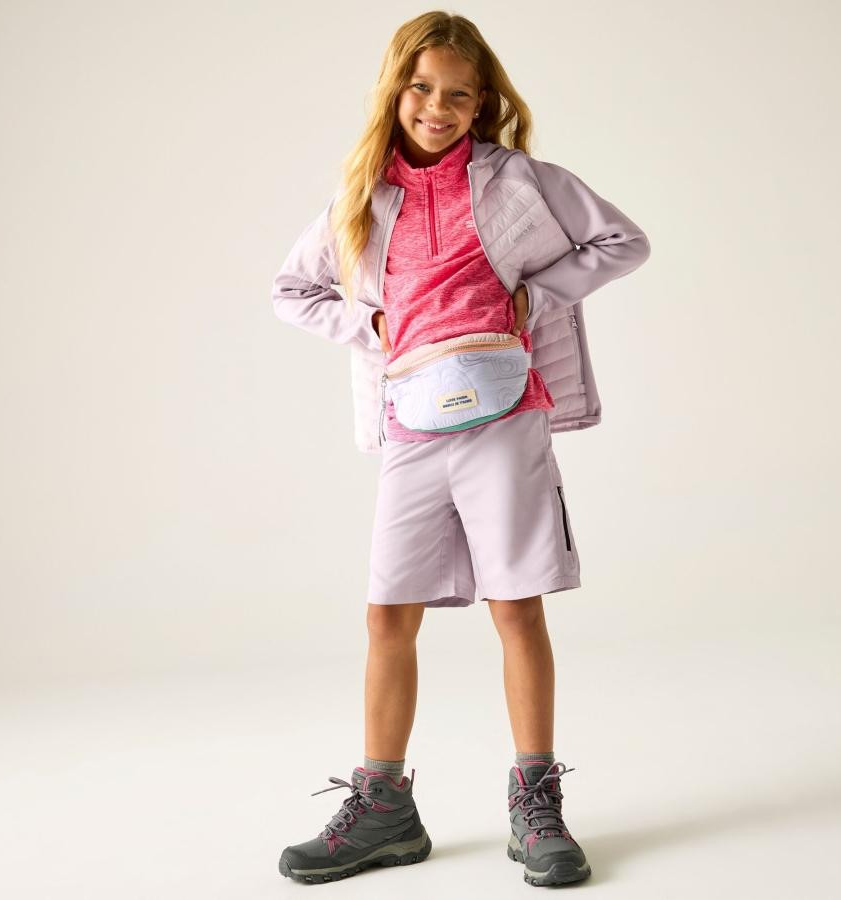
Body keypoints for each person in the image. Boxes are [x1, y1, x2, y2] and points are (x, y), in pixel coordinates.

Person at [271, 11, 650, 888]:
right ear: (394, 90)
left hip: (505, 419)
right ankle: (385, 809)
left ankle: (536, 805)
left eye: (457, 95)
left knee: (516, 607)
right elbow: (292, 288)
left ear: (482, 104)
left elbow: (623, 240)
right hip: (411, 427)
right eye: (421, 88)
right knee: (387, 615)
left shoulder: (522, 182)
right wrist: (368, 324)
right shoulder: (361, 198)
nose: (436, 108)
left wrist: (537, 297)